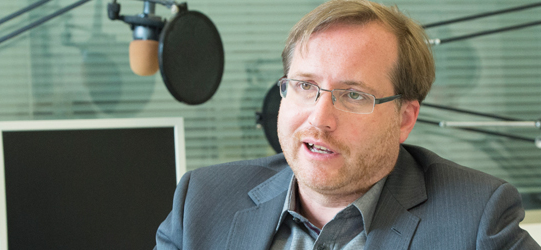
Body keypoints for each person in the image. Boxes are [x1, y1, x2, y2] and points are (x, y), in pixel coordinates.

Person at [155, 0, 541, 249]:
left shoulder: (476, 220)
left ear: (404, 119)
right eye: (306, 86)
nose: (320, 119)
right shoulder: (203, 202)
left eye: (354, 95)